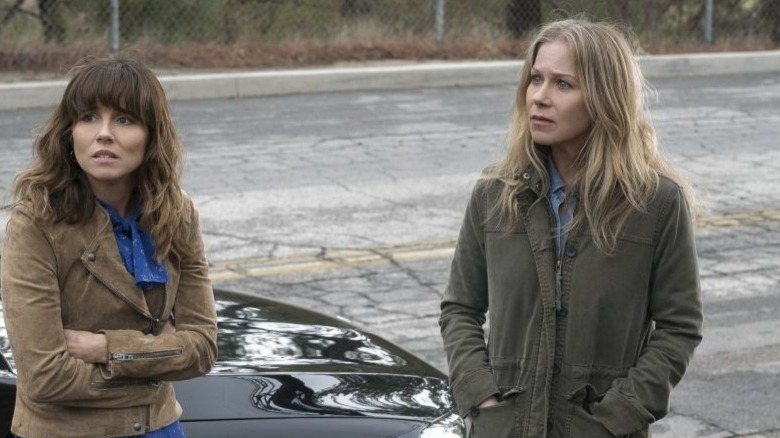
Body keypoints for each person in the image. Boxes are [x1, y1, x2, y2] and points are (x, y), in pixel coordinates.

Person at [439, 17, 703, 438]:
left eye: (563, 84)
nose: (539, 97)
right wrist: (482, 398)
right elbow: (460, 309)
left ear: (604, 97)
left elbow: (679, 329)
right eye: (536, 79)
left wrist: (614, 418)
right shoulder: (494, 194)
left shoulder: (656, 203)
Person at [1, 56, 218, 437]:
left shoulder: (176, 213)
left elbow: (202, 349)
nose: (103, 134)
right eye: (88, 118)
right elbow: (43, 378)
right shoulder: (36, 220)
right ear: (69, 132)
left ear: (151, 135)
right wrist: (157, 360)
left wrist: (106, 348)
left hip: (160, 428)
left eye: (124, 120)